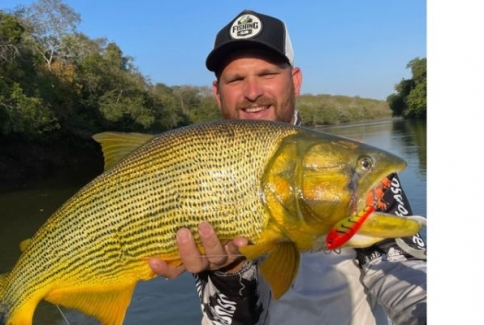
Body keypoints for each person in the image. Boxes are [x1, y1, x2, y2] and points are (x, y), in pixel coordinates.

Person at [147, 9, 427, 325]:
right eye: (236, 79)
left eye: (267, 74)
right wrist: (228, 274)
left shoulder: (350, 166)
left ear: (295, 80)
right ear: (217, 93)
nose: (252, 92)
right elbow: (225, 316)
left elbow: (395, 264)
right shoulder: (197, 162)